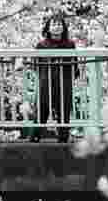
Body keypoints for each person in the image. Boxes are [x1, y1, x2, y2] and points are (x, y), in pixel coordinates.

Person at [29, 14, 78, 142]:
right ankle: (35, 137)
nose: (57, 27)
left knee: (64, 110)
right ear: (48, 28)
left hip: (64, 81)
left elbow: (75, 65)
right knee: (41, 109)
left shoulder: (70, 44)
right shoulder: (41, 45)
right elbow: (35, 65)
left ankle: (63, 138)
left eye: (59, 24)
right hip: (46, 82)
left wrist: (71, 77)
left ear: (63, 27)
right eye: (54, 24)